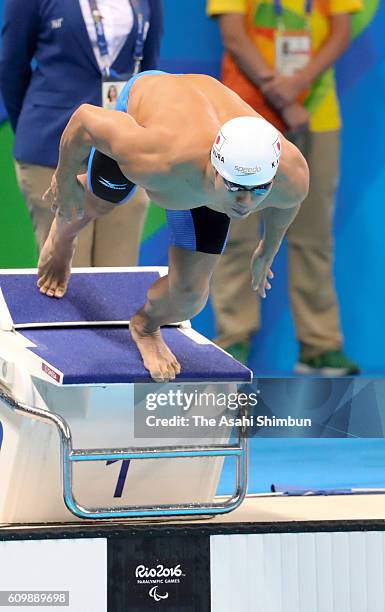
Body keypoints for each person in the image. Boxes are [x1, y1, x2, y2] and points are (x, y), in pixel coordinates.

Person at [38, 71, 309, 382]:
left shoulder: (292, 174)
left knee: (189, 298)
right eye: (236, 187)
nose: (246, 203)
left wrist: (266, 250)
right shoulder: (154, 155)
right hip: (152, 109)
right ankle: (63, 237)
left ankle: (145, 326)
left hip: (202, 166)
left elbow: (287, 204)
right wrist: (64, 179)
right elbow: (84, 119)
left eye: (260, 189)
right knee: (100, 202)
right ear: (216, 170)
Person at [207, 0, 361, 375]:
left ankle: (319, 344)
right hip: (243, 115)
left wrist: (298, 82)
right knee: (238, 232)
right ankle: (233, 337)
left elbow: (341, 32)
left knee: (313, 236)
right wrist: (279, 91)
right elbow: (233, 33)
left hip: (316, 117)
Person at [0, 0, 163, 267]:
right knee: (68, 278)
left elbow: (148, 71)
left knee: (119, 280)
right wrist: (38, 129)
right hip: (51, 147)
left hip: (123, 153)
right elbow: (11, 67)